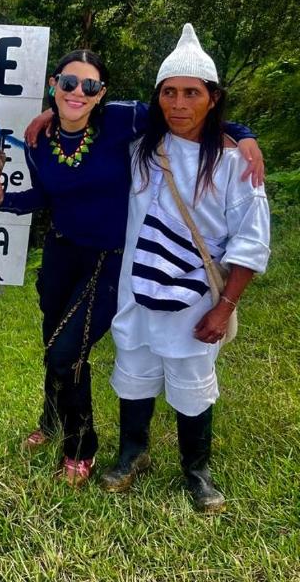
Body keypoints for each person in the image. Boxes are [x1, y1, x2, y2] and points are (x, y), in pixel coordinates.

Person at [0, 48, 262, 487]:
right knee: (61, 350)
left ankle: (92, 450)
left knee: (68, 353)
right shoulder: (46, 143)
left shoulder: (122, 123)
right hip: (67, 259)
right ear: (53, 84)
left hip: (113, 263)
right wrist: (4, 200)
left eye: (89, 86)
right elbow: (49, 197)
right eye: (68, 83)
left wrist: (244, 135)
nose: (78, 92)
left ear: (102, 93)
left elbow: (189, 116)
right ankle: (65, 425)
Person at [101, 25, 269, 512]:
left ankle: (197, 469)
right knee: (132, 371)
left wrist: (225, 308)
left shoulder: (237, 166)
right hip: (137, 297)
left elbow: (252, 243)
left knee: (192, 385)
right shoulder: (140, 152)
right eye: (169, 92)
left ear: (213, 98)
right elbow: (86, 114)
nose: (179, 103)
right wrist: (52, 110)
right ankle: (133, 454)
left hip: (194, 304)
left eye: (191, 93)